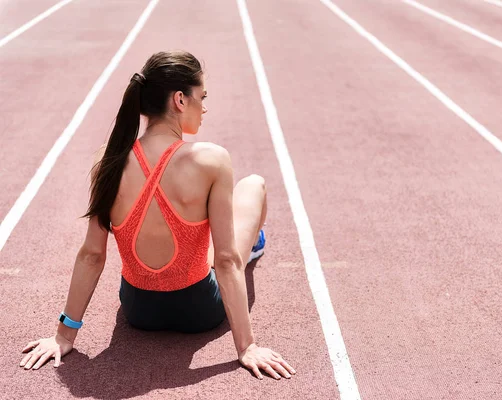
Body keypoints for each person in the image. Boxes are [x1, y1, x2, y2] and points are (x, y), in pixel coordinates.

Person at [19, 50, 295, 380]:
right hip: (200, 312)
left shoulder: (108, 161)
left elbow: (92, 255)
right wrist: (246, 347)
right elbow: (225, 261)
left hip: (139, 311)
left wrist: (64, 335)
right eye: (201, 97)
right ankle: (254, 243)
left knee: (199, 246)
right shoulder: (211, 160)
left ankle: (242, 245)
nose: (204, 107)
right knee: (253, 186)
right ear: (180, 99)